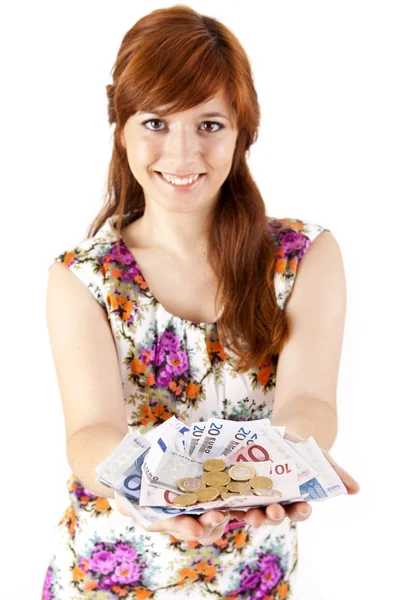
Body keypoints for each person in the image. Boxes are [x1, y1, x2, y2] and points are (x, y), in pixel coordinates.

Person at [41, 5, 360, 599]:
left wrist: (284, 463)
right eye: (156, 123)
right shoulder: (81, 276)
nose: (183, 156)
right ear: (121, 126)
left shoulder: (303, 256)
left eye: (209, 124)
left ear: (243, 130)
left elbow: (310, 399)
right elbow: (90, 430)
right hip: (108, 572)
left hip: (254, 573)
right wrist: (142, 485)